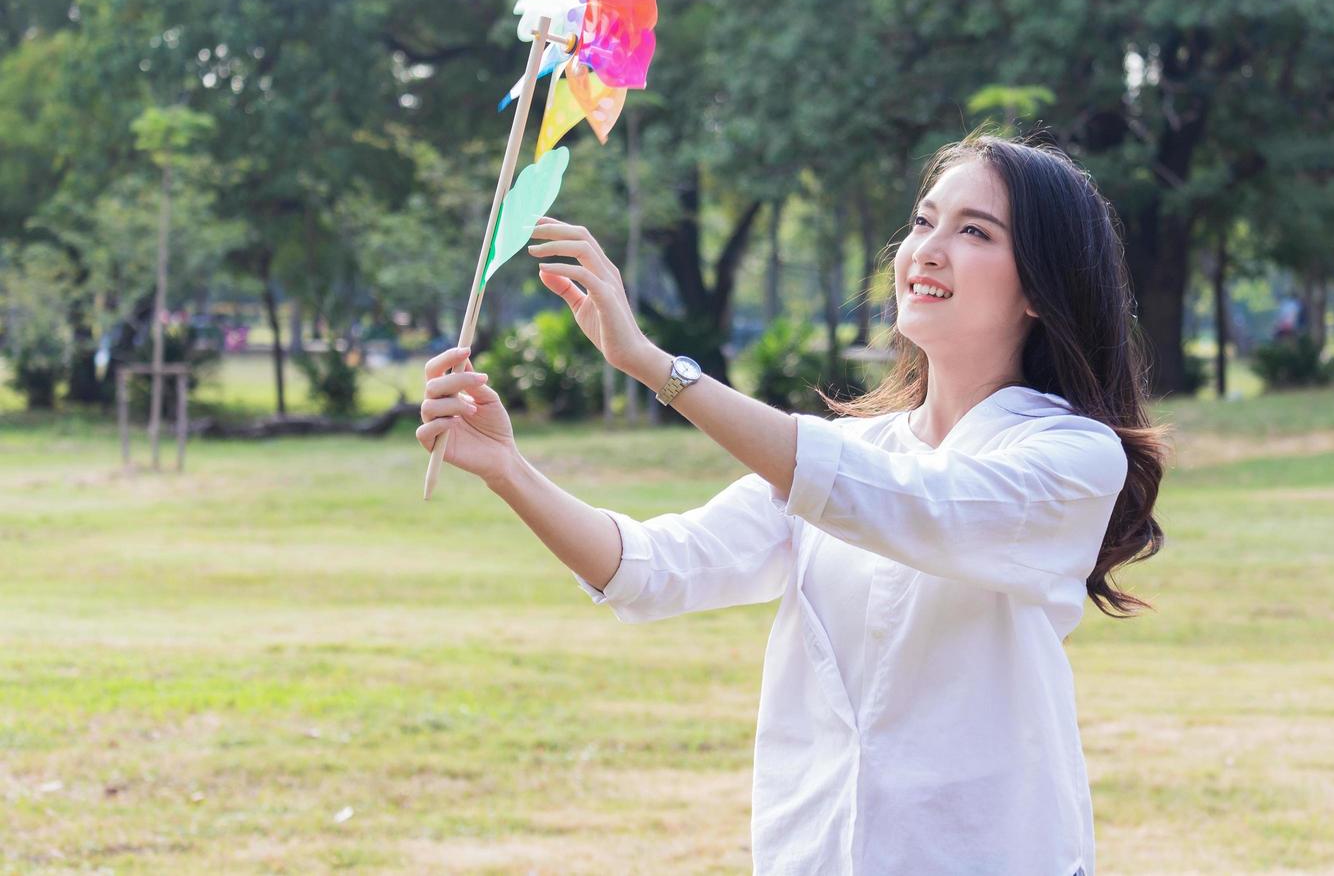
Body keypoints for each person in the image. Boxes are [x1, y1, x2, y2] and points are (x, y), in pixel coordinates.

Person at [417, 132, 1166, 875]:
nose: (927, 250)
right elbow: (651, 569)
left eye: (974, 231)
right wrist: (509, 470)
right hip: (814, 849)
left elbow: (907, 503)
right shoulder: (854, 453)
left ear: (1039, 286)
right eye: (922, 221)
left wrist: (651, 364)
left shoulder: (1070, 458)